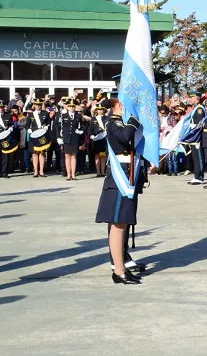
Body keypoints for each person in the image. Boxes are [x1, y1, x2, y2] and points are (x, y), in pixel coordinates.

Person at [95, 97, 144, 285]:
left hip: (127, 176)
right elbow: (124, 137)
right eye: (122, 105)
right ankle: (118, 270)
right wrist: (133, 122)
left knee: (123, 223)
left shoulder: (120, 123)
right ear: (116, 106)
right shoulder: (111, 123)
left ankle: (121, 266)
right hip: (118, 179)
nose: (125, 108)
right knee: (117, 224)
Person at [58, 97, 88, 181]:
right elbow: (58, 127)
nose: (71, 108)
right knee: (67, 156)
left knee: (74, 156)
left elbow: (85, 124)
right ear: (67, 107)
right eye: (70, 106)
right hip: (66, 138)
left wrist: (81, 131)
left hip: (75, 138)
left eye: (73, 106)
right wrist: (59, 137)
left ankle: (73, 174)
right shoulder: (63, 115)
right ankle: (68, 174)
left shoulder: (78, 115)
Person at [27, 99, 52, 177]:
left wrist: (47, 127)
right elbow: (27, 124)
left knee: (42, 153)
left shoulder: (45, 113)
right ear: (34, 105)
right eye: (37, 105)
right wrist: (29, 129)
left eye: (40, 105)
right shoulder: (31, 115)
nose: (38, 106)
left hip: (42, 135)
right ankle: (35, 171)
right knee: (34, 153)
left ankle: (41, 171)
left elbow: (48, 122)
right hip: (34, 135)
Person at [89, 105, 109, 177]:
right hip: (96, 138)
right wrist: (91, 135)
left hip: (104, 139)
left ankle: (103, 171)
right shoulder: (93, 119)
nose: (100, 111)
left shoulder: (107, 118)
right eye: (98, 109)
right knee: (97, 155)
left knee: (103, 155)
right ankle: (98, 171)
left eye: (101, 109)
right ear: (96, 111)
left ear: (104, 110)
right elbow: (90, 129)